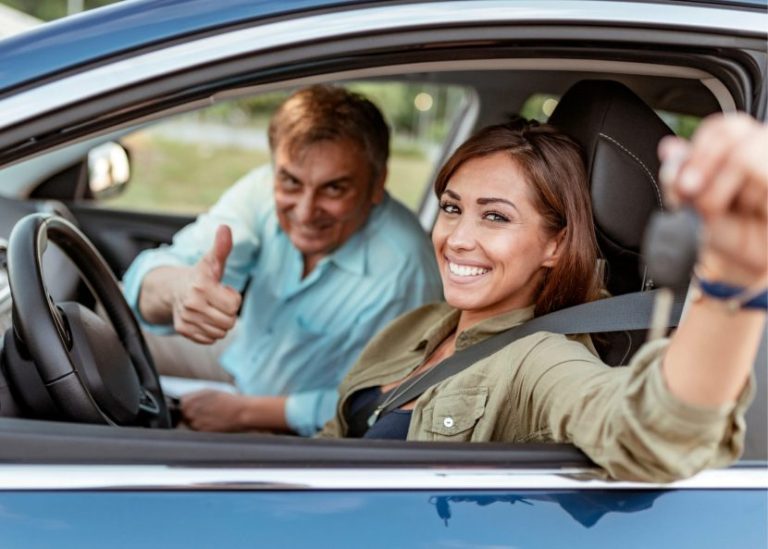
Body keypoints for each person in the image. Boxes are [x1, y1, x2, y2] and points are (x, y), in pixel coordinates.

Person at [318, 114, 767, 482]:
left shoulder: (540, 361)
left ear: (555, 245)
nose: (457, 239)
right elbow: (329, 446)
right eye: (452, 208)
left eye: (495, 217)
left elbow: (655, 436)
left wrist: (733, 280)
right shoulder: (416, 325)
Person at [122, 85, 443, 435]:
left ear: (377, 183)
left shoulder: (406, 269)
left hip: (297, 428)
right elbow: (152, 276)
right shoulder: (261, 189)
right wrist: (179, 292)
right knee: (105, 331)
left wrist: (246, 413)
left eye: (334, 188)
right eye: (290, 182)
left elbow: (383, 403)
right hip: (243, 358)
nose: (305, 212)